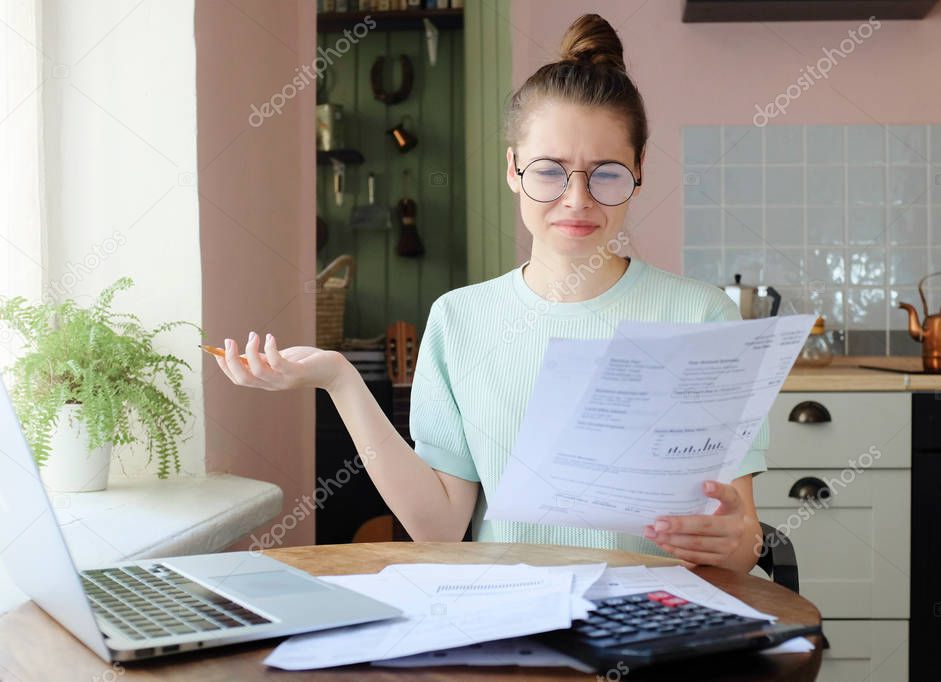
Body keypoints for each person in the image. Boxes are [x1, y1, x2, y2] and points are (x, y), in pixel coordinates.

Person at [216, 14, 768, 573]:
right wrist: (338, 378)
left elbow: (745, 543)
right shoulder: (461, 320)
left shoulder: (702, 316)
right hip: (509, 621)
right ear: (512, 169)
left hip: (655, 621)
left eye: (606, 173)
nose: (577, 199)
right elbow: (439, 528)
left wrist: (731, 542)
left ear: (641, 170)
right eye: (550, 171)